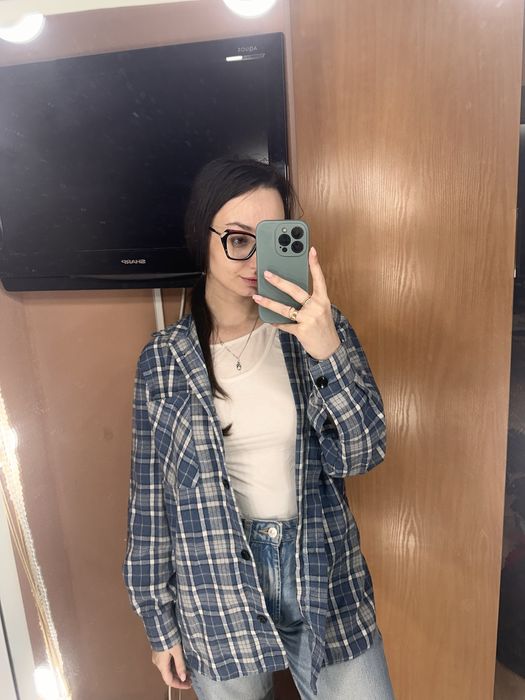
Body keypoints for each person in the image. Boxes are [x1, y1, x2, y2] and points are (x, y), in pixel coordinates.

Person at [122, 157, 395, 700]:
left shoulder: (319, 330)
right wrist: (159, 623)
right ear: (202, 236)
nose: (253, 259)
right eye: (237, 239)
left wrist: (326, 351)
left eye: (269, 238)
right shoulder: (164, 359)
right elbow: (149, 500)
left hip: (323, 570)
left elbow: (363, 453)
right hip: (214, 586)